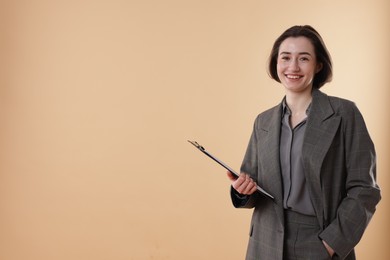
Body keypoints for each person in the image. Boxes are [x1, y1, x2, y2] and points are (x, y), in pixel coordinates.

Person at [226, 25, 381, 260]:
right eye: (285, 57)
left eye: (304, 58)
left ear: (318, 65)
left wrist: (332, 243)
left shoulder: (344, 114)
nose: (293, 67)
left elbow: (365, 189)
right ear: (276, 63)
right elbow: (254, 185)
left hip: (319, 239)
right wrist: (242, 191)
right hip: (265, 242)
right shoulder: (263, 121)